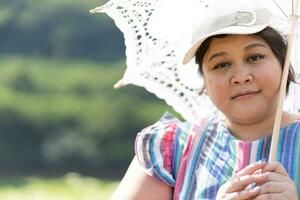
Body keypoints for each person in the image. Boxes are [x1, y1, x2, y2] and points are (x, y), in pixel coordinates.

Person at [110, 0, 300, 199]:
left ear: (283, 64)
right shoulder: (170, 148)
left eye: (254, 57)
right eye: (221, 64)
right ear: (203, 80)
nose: (240, 76)